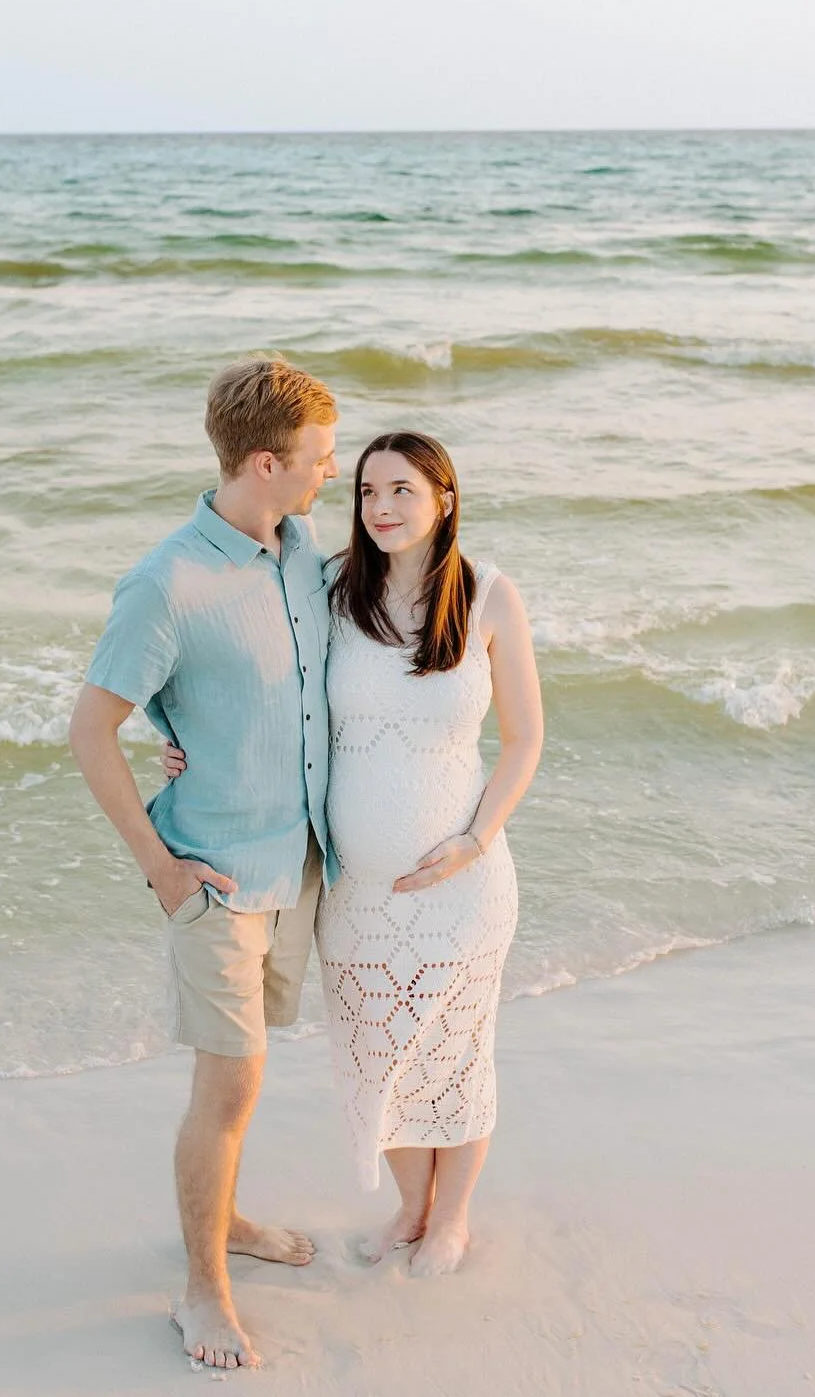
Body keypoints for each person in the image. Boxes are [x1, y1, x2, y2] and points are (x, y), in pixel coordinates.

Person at [165, 430, 543, 1274]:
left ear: (444, 497)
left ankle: (452, 1219)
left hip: (463, 884)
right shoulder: (331, 589)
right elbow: (258, 683)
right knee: (379, 1053)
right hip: (358, 891)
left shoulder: (488, 598)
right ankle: (411, 1208)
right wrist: (186, 738)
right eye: (367, 492)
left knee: (455, 1049)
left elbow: (524, 740)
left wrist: (474, 842)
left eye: (402, 490)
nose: (380, 508)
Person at [68, 355, 339, 1372]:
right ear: (265, 463)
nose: (331, 472)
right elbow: (92, 730)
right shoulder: (167, 582)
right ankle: (202, 1292)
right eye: (318, 458)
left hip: (296, 873)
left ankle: (224, 1220)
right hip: (214, 878)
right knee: (225, 1092)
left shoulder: (302, 552)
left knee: (248, 1081)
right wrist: (162, 866)